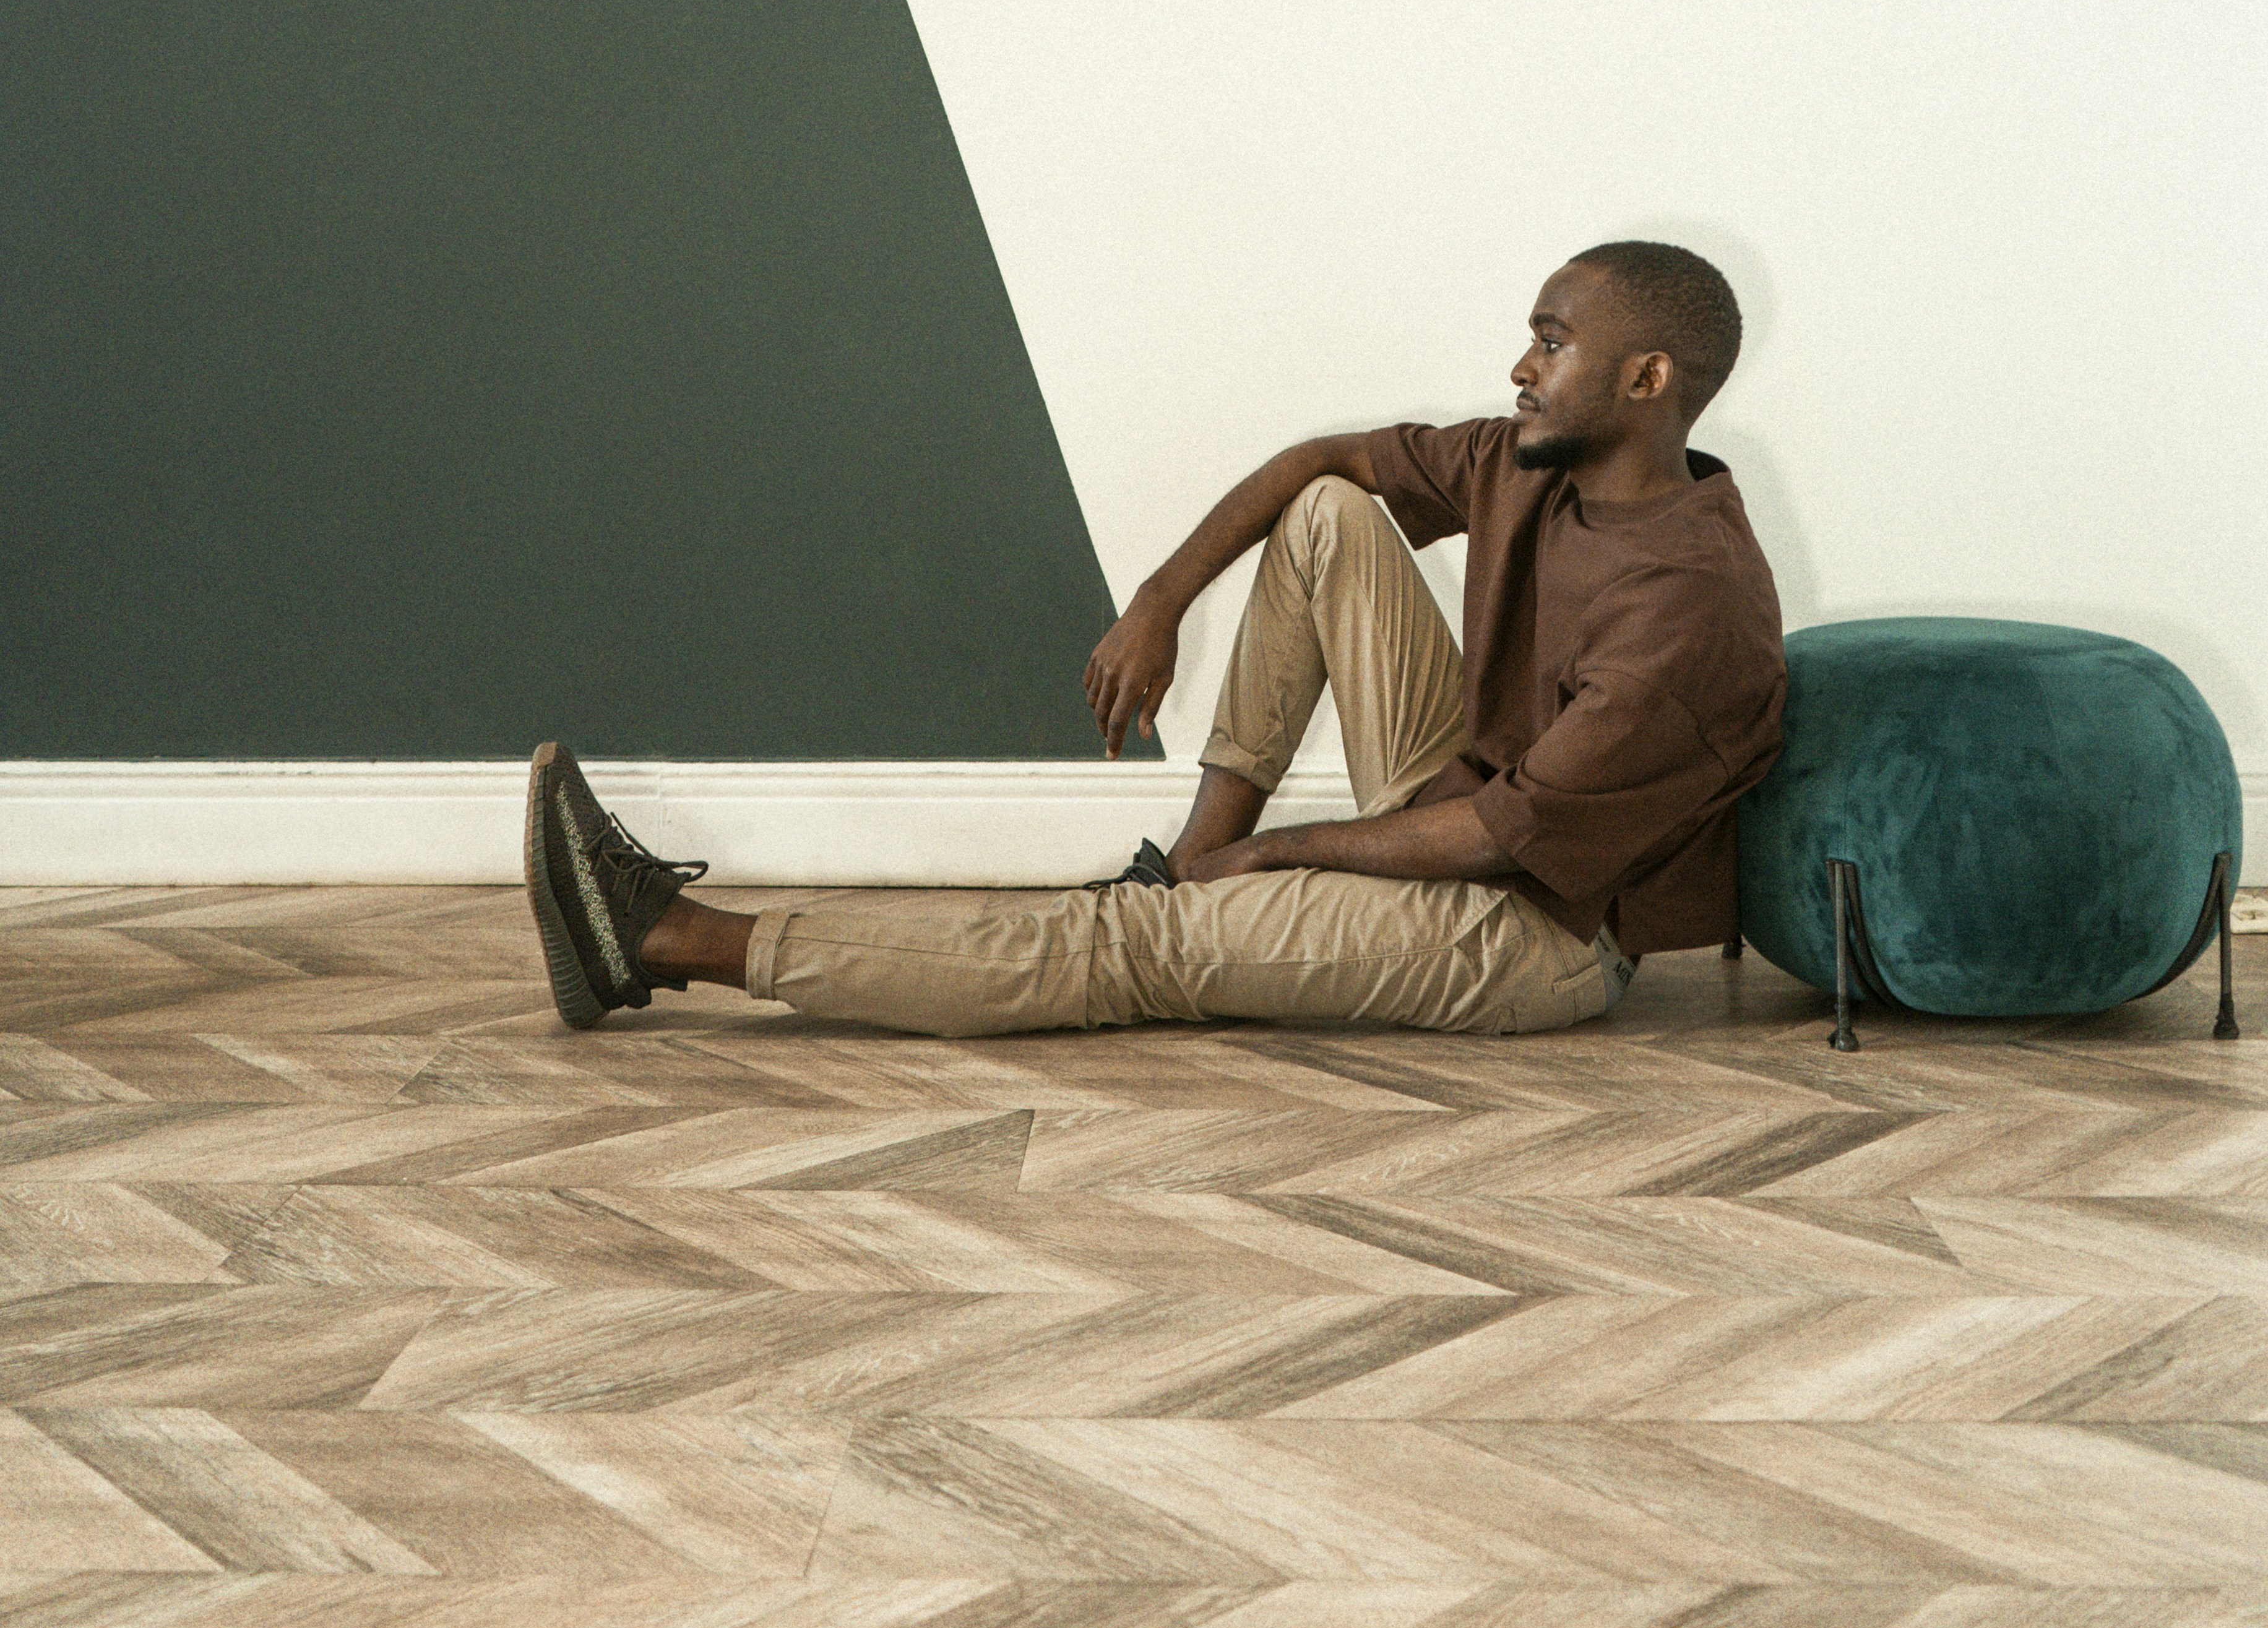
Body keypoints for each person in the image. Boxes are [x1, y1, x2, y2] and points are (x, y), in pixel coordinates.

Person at [524, 239, 1786, 1043]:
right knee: (1335, 518)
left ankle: (666, 939)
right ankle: (1193, 856)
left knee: (1128, 951)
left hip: (1539, 933)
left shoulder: (1688, 600)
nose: (1522, 364)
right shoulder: (1533, 463)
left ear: (1646, 380)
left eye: (1553, 341)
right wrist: (1160, 598)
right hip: (1477, 804)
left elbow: (1492, 841)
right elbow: (1326, 462)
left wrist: (1277, 861)